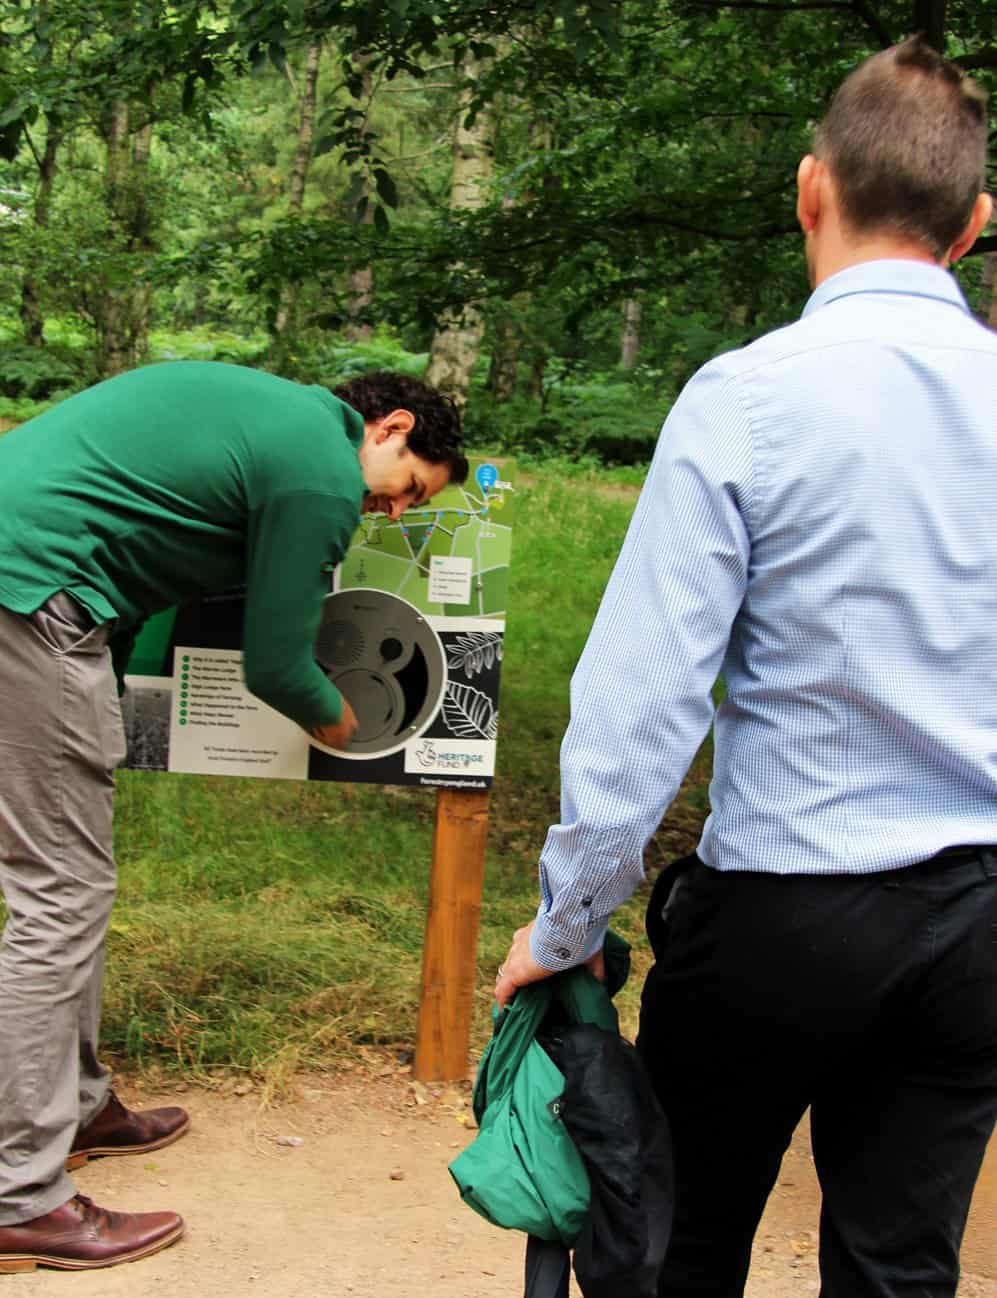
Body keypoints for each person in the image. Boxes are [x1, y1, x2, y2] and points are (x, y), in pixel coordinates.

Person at [497, 36, 997, 1298]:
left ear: (807, 190)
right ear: (975, 224)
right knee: (900, 1266)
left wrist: (566, 922)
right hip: (980, 923)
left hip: (783, 912)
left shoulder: (749, 396)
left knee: (681, 1243)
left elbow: (641, 698)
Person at [0, 361, 466, 1272]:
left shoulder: (271, 422)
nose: (399, 510)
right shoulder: (319, 465)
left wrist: (116, 708)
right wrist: (344, 723)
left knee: (74, 886)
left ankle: (81, 1106)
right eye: (411, 486)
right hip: (30, 604)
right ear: (392, 429)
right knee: (59, 896)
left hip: (37, 599)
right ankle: (19, 1194)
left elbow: (142, 568)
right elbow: (277, 667)